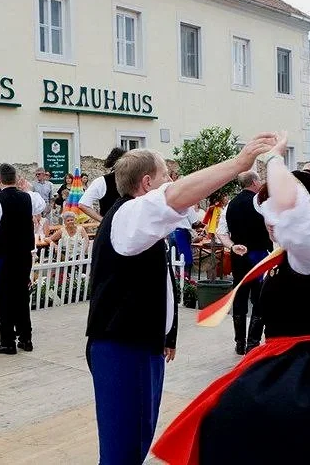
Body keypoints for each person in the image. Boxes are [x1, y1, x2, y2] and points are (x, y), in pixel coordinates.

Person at [152, 134, 310, 465]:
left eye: (274, 208)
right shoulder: (290, 253)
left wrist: (275, 158)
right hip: (287, 362)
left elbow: (294, 207)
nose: (270, 217)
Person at [86, 133, 276, 465]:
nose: (172, 182)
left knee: (135, 444)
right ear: (147, 183)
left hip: (138, 344)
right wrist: (239, 163)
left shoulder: (137, 220)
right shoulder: (129, 213)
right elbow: (176, 196)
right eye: (166, 176)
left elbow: (160, 284)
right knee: (122, 452)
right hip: (122, 347)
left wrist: (167, 336)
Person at [0, 163, 46, 354]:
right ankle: (26, 338)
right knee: (21, 295)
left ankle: (8, 341)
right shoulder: (28, 197)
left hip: (3, 255)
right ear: (16, 178)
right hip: (23, 254)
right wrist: (27, 189)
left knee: (5, 297)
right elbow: (41, 204)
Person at [216, 171, 272, 355]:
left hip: (238, 255)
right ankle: (252, 343)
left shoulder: (230, 205)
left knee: (240, 296)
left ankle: (239, 343)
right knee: (259, 297)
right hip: (259, 256)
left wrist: (232, 246)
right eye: (259, 180)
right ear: (254, 182)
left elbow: (221, 233)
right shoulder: (261, 203)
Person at [79, 147, 126, 222]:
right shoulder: (102, 181)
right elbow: (83, 205)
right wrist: (104, 221)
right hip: (111, 228)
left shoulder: (135, 180)